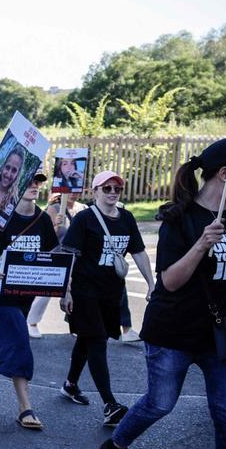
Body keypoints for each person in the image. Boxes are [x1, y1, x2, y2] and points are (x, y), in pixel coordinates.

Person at [95, 137, 226, 449]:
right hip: (173, 330)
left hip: (219, 335)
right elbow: (170, 281)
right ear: (224, 173)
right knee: (160, 403)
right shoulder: (178, 218)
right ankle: (114, 448)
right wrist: (202, 245)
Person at [60, 170, 153, 426]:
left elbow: (139, 252)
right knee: (97, 340)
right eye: (106, 188)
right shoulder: (84, 219)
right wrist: (65, 291)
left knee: (88, 339)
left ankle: (70, 384)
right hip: (84, 292)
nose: (112, 193)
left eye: (116, 189)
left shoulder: (127, 218)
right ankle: (110, 404)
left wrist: (151, 284)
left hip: (111, 293)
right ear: (95, 191)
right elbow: (69, 256)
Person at [0, 173, 58, 428]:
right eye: (28, 182)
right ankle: (24, 407)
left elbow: (53, 254)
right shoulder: (0, 218)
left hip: (26, 294)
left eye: (37, 182)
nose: (34, 186)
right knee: (19, 342)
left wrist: (65, 288)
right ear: (16, 186)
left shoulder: (42, 219)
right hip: (0, 292)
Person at [26, 191, 83, 337]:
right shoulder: (55, 208)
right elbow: (46, 235)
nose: (73, 194)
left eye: (76, 191)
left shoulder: (82, 208)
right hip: (56, 255)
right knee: (45, 292)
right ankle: (31, 322)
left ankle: (76, 324)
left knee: (76, 291)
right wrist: (56, 226)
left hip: (76, 257)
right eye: (70, 191)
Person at [0, 145, 26, 215]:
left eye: (14, 170)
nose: (8, 174)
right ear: (3, 166)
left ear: (17, 174)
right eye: (7, 167)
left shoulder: (14, 202)